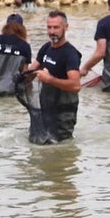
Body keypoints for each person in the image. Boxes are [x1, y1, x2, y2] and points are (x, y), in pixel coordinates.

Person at [25, 11, 82, 141]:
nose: (52, 31)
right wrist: (21, 78)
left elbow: (76, 85)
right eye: (49, 27)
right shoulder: (46, 48)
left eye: (56, 27)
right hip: (46, 107)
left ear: (65, 27)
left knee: (61, 146)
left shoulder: (70, 54)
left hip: (64, 111)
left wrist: (49, 79)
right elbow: (32, 71)